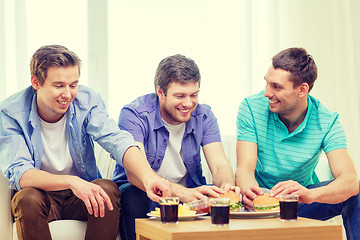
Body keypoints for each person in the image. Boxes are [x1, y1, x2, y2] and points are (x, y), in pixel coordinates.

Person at [0, 45, 171, 240]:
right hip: (41, 196)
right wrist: (71, 181)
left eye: (73, 85)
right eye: (59, 85)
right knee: (26, 199)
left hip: (81, 197)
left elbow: (117, 140)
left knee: (107, 189)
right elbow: (21, 174)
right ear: (36, 82)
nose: (68, 94)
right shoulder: (10, 113)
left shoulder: (87, 101)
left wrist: (149, 177)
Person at [235, 47, 359, 240]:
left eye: (276, 87)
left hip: (301, 200)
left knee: (357, 193)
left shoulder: (327, 120)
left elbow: (350, 181)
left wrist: (311, 195)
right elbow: (244, 170)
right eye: (267, 83)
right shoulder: (251, 107)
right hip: (258, 200)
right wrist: (253, 195)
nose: (267, 93)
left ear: (302, 89)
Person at [112, 54, 240, 240]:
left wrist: (226, 187)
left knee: (217, 196)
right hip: (143, 192)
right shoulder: (134, 114)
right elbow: (136, 175)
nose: (188, 103)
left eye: (193, 95)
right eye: (180, 96)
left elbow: (219, 165)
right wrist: (181, 194)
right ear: (160, 92)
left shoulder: (204, 116)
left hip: (190, 189)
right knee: (132, 196)